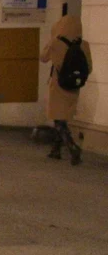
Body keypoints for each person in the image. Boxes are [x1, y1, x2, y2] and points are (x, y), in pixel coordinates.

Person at [40, 11, 93, 165]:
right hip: (74, 86)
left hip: (58, 84)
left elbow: (43, 57)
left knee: (58, 119)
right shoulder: (84, 44)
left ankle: (72, 147)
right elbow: (88, 68)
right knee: (63, 116)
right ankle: (56, 149)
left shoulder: (56, 42)